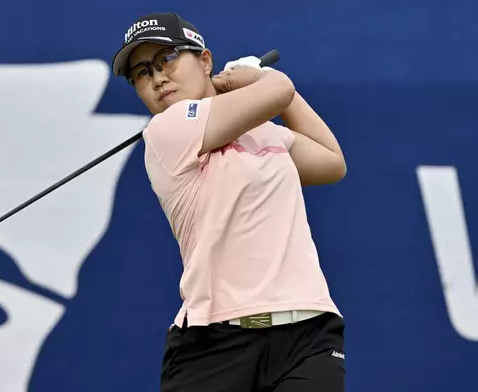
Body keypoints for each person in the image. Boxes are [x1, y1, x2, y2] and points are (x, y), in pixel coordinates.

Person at [111, 12, 348, 392]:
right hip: (214, 344)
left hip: (308, 332)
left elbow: (331, 161)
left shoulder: (264, 133)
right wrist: (259, 80)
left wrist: (263, 86)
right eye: (140, 73)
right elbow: (277, 90)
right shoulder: (167, 130)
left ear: (205, 60)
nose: (156, 77)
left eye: (167, 57)